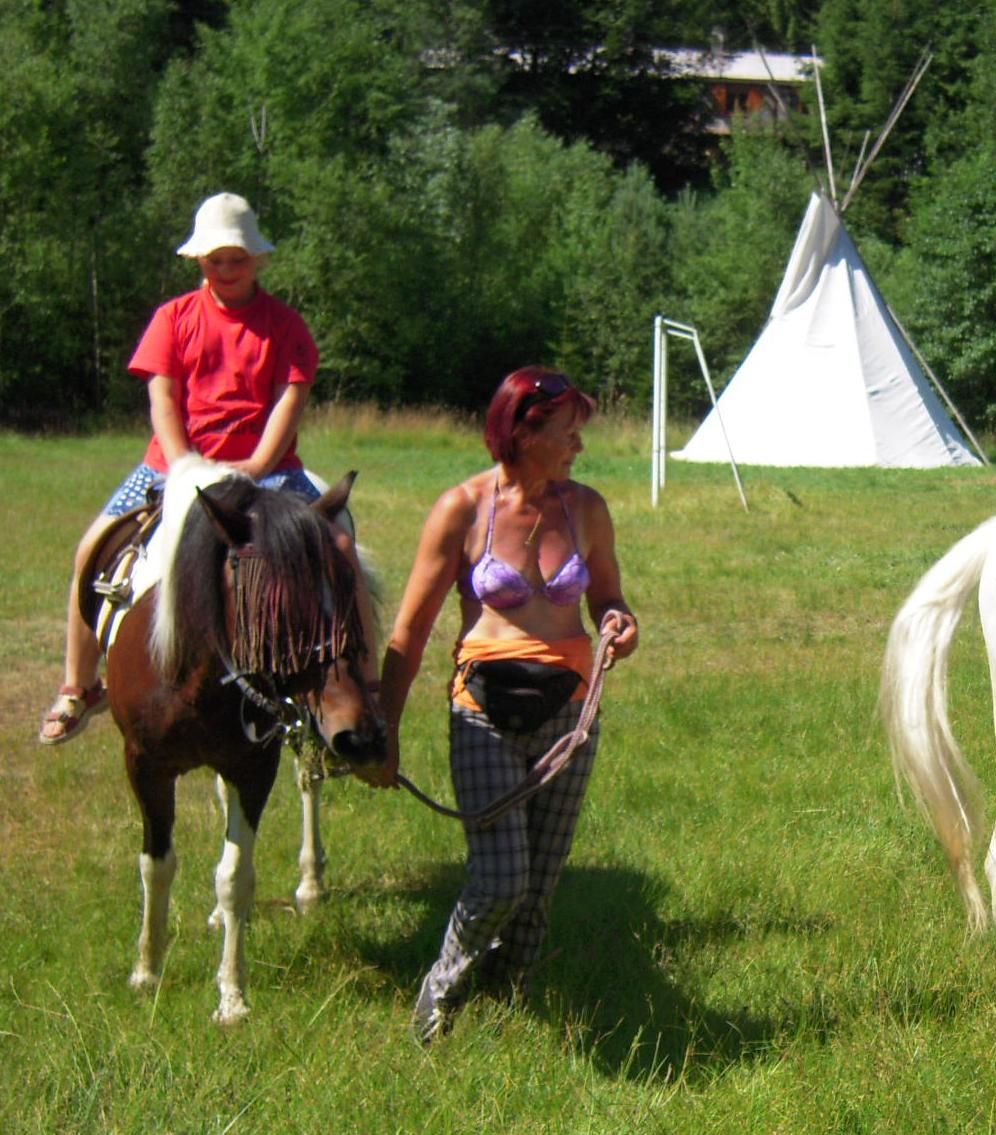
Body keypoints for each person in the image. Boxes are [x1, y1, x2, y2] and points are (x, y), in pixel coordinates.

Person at [370, 366, 639, 1042]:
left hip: (570, 714)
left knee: (539, 884)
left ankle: (507, 996)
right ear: (523, 431)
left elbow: (607, 595)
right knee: (500, 878)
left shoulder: (586, 509)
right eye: (567, 431)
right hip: (483, 710)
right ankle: (440, 989)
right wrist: (385, 731)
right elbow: (409, 631)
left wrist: (619, 620)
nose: (579, 445)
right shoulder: (461, 509)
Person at [40, 192, 321, 744]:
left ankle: (350, 686)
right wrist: (184, 464)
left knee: (333, 547)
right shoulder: (172, 319)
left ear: (257, 260)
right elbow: (163, 400)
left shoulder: (286, 325)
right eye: (215, 260)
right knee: (90, 550)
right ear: (199, 260)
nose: (226, 270)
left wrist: (256, 464)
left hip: (267, 470)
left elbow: (290, 402)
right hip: (171, 466)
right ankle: (79, 685)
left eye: (237, 259)